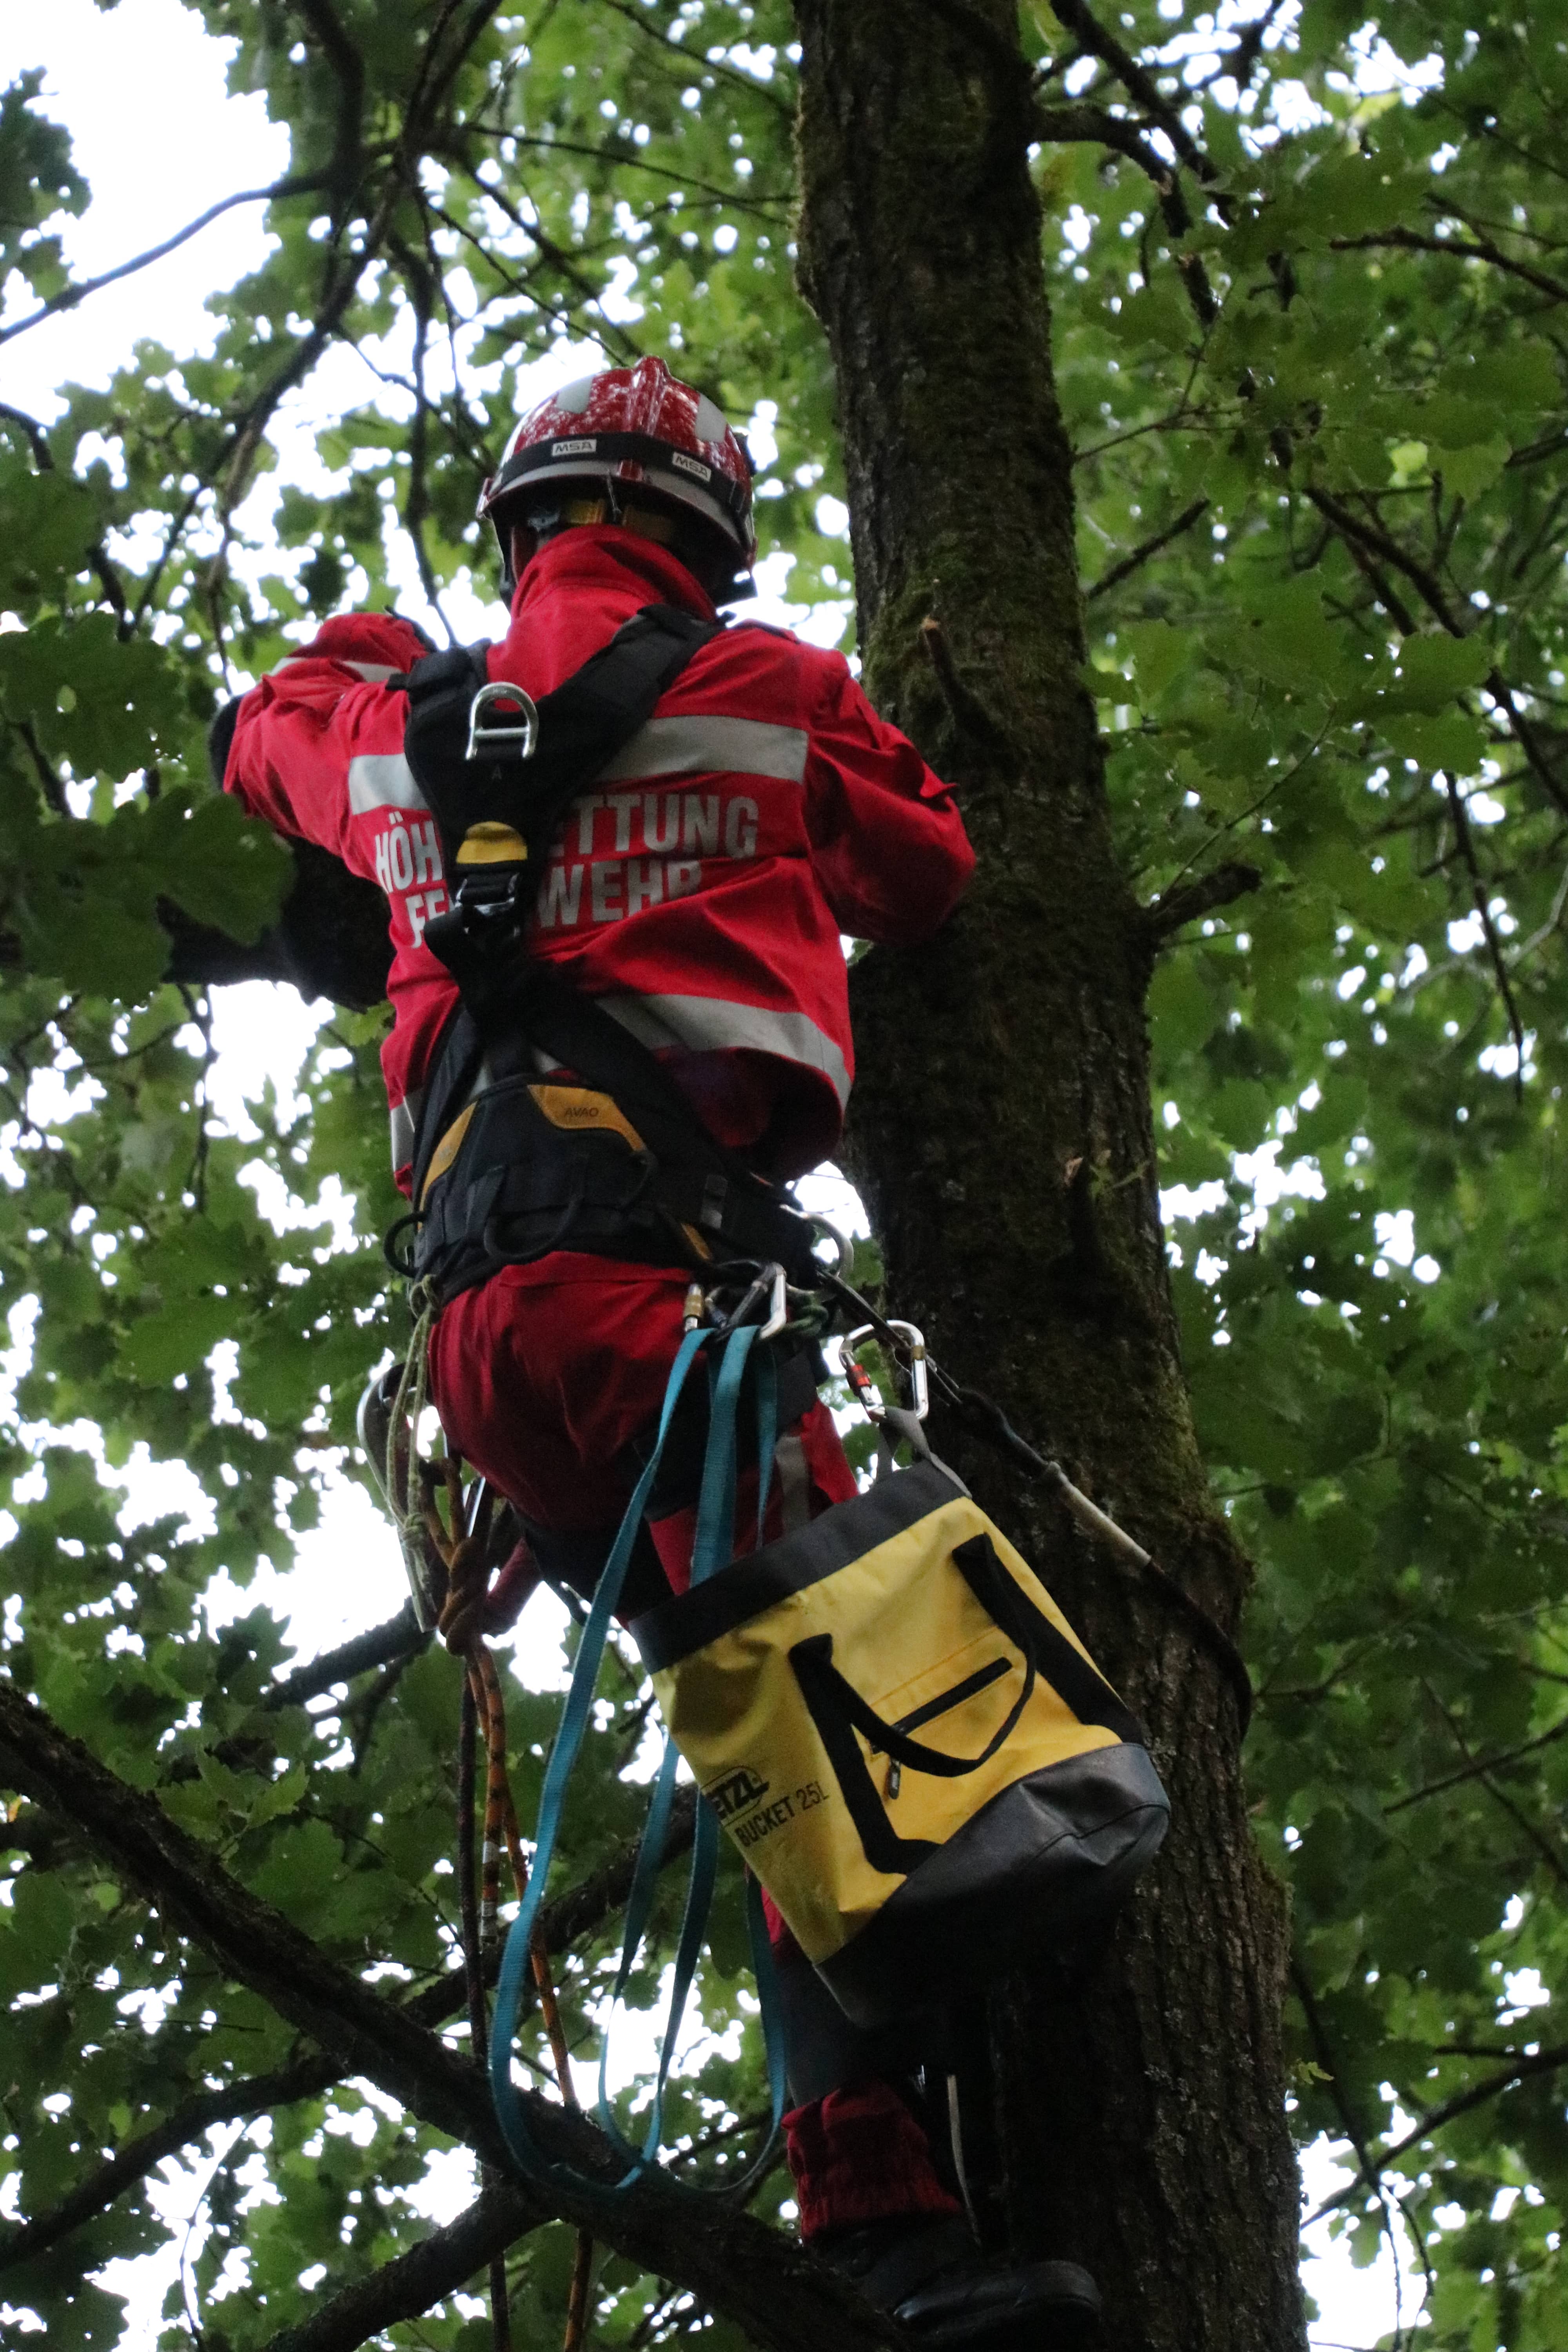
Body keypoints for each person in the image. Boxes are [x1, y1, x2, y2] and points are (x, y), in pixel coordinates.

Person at [216, 356, 1099, 2346]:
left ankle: (892, 2168)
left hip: (486, 1339)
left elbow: (259, 729)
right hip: (657, 1309)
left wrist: (374, 655)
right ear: (703, 546)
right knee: (841, 1718)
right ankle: (879, 2224)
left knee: (768, 1697)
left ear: (522, 521)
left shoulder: (385, 737)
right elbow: (930, 871)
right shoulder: (769, 692)